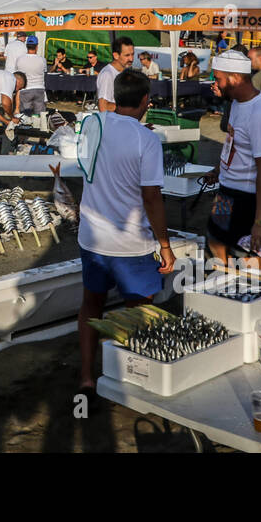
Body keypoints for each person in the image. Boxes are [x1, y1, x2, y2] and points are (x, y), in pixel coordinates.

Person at [76, 68, 177, 394]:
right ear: (146, 100)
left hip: (92, 236)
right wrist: (165, 245)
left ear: (116, 97)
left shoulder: (94, 124)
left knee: (92, 304)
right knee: (139, 308)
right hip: (130, 243)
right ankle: (133, 373)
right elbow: (152, 197)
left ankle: (87, 376)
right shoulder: (146, 140)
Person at [204, 50, 261, 264]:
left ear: (235, 78)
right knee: (215, 243)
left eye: (218, 78)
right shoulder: (238, 103)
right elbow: (234, 142)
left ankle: (242, 290)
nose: (215, 84)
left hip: (247, 197)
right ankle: (222, 286)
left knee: (245, 254)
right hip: (226, 193)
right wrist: (219, 170)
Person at [97, 36, 134, 112]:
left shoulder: (125, 72)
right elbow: (103, 107)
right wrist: (130, 107)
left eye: (132, 54)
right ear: (116, 55)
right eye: (127, 55)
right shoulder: (107, 74)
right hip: (112, 122)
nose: (131, 59)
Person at [15, 37, 48, 115]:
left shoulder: (20, 59)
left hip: (25, 90)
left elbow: (18, 75)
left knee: (26, 116)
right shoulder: (42, 60)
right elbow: (45, 72)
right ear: (37, 46)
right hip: (39, 89)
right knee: (40, 116)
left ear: (26, 46)